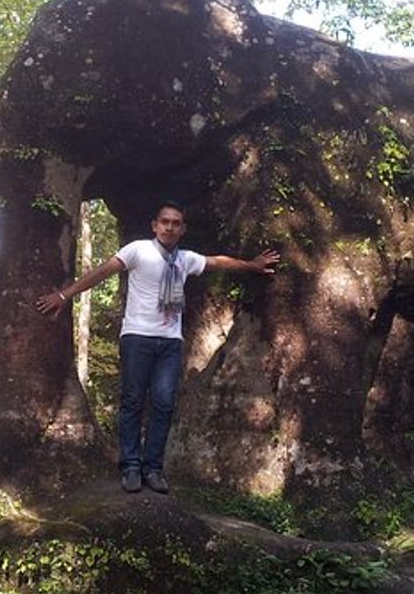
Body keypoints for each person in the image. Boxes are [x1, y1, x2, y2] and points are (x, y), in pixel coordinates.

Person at [36, 201, 279, 494]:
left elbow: (217, 261)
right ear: (155, 225)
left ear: (182, 229)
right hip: (137, 336)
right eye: (165, 221)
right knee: (132, 401)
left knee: (163, 404)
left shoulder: (185, 259)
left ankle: (153, 468)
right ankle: (130, 466)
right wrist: (65, 294)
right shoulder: (138, 250)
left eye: (176, 223)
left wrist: (252, 265)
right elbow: (103, 272)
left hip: (170, 342)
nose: (170, 227)